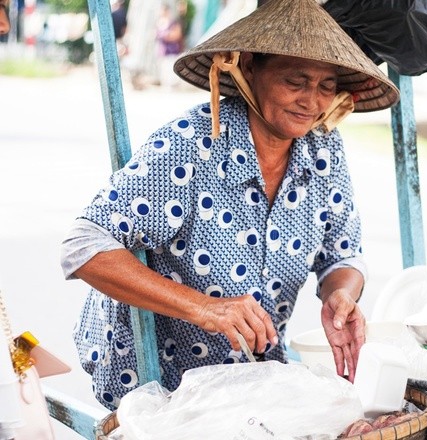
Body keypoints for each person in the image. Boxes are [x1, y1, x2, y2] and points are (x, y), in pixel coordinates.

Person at [60, 0, 399, 410]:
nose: (311, 101)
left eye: (326, 87)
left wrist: (340, 296)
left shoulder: (322, 149)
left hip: (250, 384)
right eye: (296, 80)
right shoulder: (189, 143)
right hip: (158, 389)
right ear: (250, 69)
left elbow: (342, 255)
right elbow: (84, 245)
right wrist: (204, 308)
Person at [155, 2, 184, 88]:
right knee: (163, 69)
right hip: (162, 50)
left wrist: (165, 36)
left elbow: (177, 35)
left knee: (171, 69)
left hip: (172, 50)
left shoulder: (173, 22)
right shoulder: (159, 23)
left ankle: (172, 85)